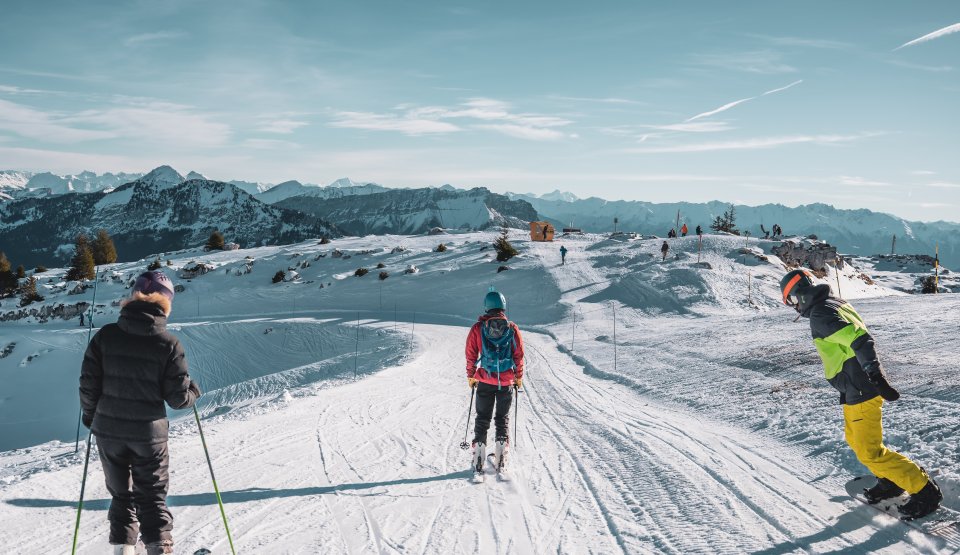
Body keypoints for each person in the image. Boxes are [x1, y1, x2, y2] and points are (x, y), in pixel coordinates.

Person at [779, 269, 942, 520]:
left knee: (869, 451)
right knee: (856, 441)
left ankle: (924, 491)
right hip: (853, 386)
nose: (794, 307)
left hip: (861, 386)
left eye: (791, 300)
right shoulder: (834, 303)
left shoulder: (821, 313)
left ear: (798, 294)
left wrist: (874, 374)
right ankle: (890, 481)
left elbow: (860, 338)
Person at [80, 270, 201, 555]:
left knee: (121, 495)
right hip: (149, 436)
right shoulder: (168, 344)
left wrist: (92, 418)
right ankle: (158, 549)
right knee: (151, 497)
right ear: (166, 303)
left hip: (108, 432)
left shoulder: (105, 336)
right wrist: (193, 392)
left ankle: (123, 551)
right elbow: (178, 399)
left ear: (133, 296)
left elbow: (88, 385)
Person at [465, 290, 524, 481]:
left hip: (484, 380)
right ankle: (501, 459)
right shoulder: (512, 328)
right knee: (502, 418)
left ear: (486, 306)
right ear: (503, 306)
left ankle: (478, 459)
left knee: (482, 418)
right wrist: (518, 377)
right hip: (506, 382)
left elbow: (471, 354)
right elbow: (519, 355)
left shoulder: (478, 328)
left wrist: (471, 375)